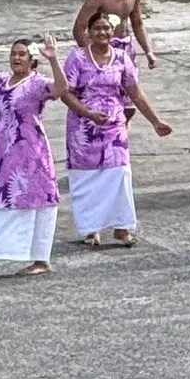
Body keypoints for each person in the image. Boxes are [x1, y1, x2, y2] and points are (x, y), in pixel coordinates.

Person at [0, 34, 99, 278]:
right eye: (14, 53)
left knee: (37, 201)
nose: (16, 58)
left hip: (31, 152)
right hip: (0, 152)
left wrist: (53, 60)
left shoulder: (37, 83)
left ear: (32, 60)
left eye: (22, 54)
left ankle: (41, 260)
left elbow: (62, 89)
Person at [62, 13, 172, 248]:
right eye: (97, 29)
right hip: (83, 130)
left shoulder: (122, 57)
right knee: (88, 179)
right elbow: (66, 93)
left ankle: (122, 228)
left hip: (114, 128)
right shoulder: (77, 58)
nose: (102, 32)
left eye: (106, 28)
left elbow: (135, 93)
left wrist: (155, 121)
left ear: (112, 32)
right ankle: (91, 229)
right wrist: (89, 114)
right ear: (88, 32)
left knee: (119, 175)